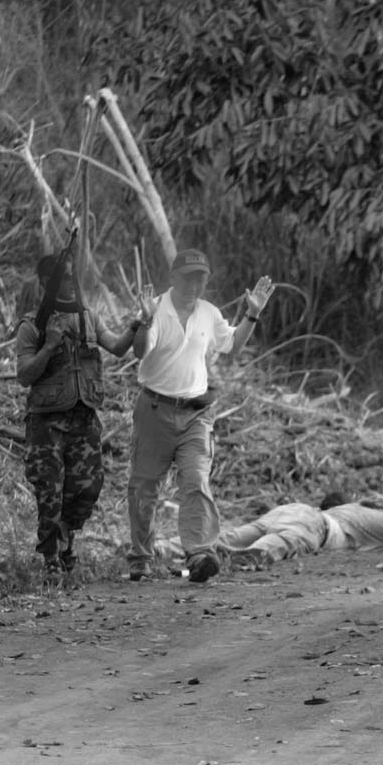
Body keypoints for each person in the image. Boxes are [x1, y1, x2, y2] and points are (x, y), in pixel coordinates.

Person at [126, 248, 273, 583]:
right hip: (154, 411)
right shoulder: (155, 309)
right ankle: (140, 557)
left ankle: (200, 554)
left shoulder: (209, 313)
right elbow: (140, 350)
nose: (194, 285)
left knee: (196, 480)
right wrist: (145, 320)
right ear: (173, 278)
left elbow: (232, 345)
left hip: (196, 415)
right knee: (144, 488)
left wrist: (252, 315)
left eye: (201, 279)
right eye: (188, 278)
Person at [13, 234, 143, 580]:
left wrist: (136, 325)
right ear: (46, 283)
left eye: (73, 277)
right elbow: (24, 375)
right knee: (49, 491)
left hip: (83, 419)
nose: (71, 283)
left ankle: (65, 534)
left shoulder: (88, 318)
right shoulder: (33, 326)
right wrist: (49, 346)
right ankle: (52, 558)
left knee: (88, 487)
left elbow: (117, 347)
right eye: (63, 278)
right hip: (47, 424)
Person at [150, 492, 383, 572]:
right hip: (315, 525)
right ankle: (250, 558)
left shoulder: (350, 506)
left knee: (229, 536)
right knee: (277, 543)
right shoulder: (380, 518)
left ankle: (161, 547)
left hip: (293, 510)